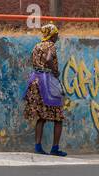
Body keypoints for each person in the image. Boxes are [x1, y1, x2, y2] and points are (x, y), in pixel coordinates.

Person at [24, 23, 67, 156]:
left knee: (41, 116)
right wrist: (55, 70)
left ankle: (38, 147)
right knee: (58, 117)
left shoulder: (36, 46)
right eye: (56, 34)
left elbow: (34, 61)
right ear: (52, 35)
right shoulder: (51, 46)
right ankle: (55, 148)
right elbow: (48, 59)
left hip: (35, 81)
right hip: (47, 81)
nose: (57, 37)